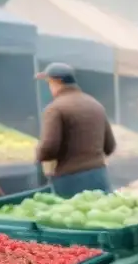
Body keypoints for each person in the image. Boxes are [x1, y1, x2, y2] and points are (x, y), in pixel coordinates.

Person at [35, 62, 116, 197]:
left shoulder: (55, 109)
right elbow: (110, 146)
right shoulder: (96, 105)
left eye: (49, 83)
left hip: (70, 181)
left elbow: (49, 148)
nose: (49, 87)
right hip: (99, 177)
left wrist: (38, 156)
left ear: (57, 81)